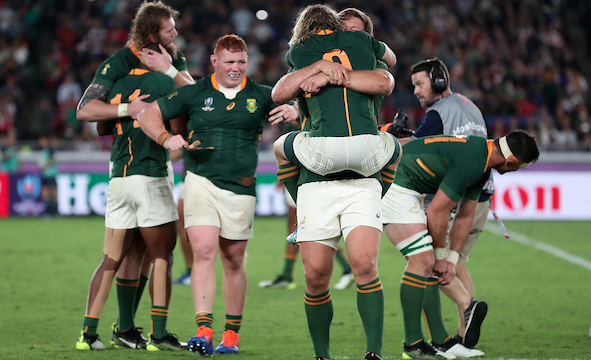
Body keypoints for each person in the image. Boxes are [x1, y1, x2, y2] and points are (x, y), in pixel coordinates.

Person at [136, 34, 299, 356]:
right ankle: (203, 329)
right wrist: (166, 137)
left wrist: (296, 112)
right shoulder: (195, 92)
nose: (236, 68)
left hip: (241, 188)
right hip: (200, 181)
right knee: (204, 251)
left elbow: (303, 110)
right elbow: (147, 114)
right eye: (229, 62)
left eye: (241, 61)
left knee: (234, 259)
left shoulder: (261, 95)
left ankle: (231, 336)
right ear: (214, 61)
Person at [270, 5, 401, 360]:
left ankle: (373, 352)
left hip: (361, 183)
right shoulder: (307, 65)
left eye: (356, 29)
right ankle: (321, 354)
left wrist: (330, 73)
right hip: (318, 184)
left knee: (364, 265)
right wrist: (318, 70)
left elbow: (386, 78)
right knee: (315, 276)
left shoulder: (367, 65)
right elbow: (281, 92)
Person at [75, 0, 194, 350]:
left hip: (119, 177)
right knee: (162, 256)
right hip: (151, 176)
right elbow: (195, 102)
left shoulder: (126, 79)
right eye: (169, 29)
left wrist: (123, 109)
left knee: (118, 256)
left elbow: (99, 126)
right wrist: (142, 110)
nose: (175, 34)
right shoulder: (151, 76)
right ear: (150, 35)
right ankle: (158, 335)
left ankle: (96, 332)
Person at [381, 131, 539, 359]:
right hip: (395, 182)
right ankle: (413, 344)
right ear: (511, 160)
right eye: (520, 166)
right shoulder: (474, 162)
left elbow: (465, 216)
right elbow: (437, 211)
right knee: (423, 260)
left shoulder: (482, 162)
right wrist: (441, 256)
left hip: (408, 185)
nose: (517, 170)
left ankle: (441, 341)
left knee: (426, 262)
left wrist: (451, 260)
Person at [409, 58, 492, 349]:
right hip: (480, 196)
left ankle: (468, 307)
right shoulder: (469, 105)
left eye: (420, 84)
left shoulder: (438, 113)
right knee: (458, 263)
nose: (416, 91)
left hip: (452, 198)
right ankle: (464, 331)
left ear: (439, 81)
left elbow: (416, 151)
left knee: (433, 262)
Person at [38, 137, 58, 216]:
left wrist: (45, 165)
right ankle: (47, 212)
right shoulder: (42, 152)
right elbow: (40, 165)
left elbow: (52, 161)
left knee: (53, 194)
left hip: (51, 174)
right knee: (45, 194)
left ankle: (55, 212)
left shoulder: (51, 150)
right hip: (44, 175)